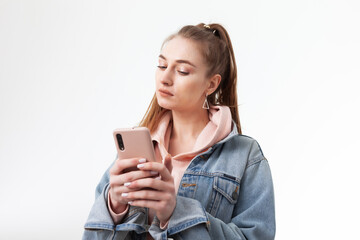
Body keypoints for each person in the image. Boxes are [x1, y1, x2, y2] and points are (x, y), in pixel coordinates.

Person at [83, 23, 276, 240]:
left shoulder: (245, 155)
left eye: (183, 70)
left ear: (211, 84)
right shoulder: (138, 148)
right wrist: (114, 206)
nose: (165, 78)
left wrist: (177, 211)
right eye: (162, 65)